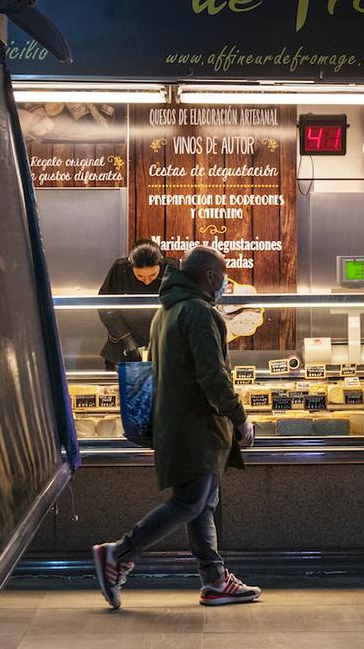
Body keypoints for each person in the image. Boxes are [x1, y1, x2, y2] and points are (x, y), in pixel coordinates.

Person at [92, 247, 262, 608]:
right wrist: (239, 417)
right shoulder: (198, 312)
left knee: (202, 502)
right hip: (195, 425)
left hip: (180, 422)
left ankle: (214, 580)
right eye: (223, 276)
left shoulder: (166, 309)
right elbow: (212, 375)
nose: (225, 283)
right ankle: (119, 552)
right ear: (212, 277)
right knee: (190, 502)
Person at [96, 239, 166, 369]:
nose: (146, 281)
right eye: (140, 276)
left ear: (160, 264)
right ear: (131, 264)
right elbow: (105, 307)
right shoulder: (120, 269)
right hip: (122, 346)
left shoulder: (171, 269)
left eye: (152, 276)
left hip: (163, 348)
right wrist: (127, 339)